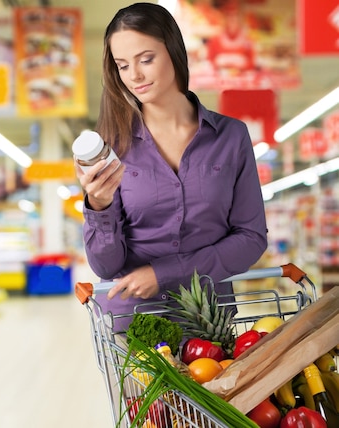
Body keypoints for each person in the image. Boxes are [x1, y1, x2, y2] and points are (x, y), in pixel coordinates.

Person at [75, 3, 268, 329]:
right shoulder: (112, 147)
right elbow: (106, 268)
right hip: (136, 327)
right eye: (122, 66)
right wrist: (99, 204)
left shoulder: (231, 136)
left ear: (174, 51)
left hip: (210, 324)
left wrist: (165, 273)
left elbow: (251, 238)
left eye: (146, 59)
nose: (134, 76)